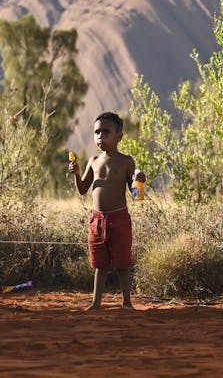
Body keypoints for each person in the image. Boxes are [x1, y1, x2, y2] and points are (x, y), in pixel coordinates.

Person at [69, 111, 145, 309]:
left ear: (119, 136)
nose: (100, 136)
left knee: (122, 264)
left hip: (119, 219)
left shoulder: (127, 161)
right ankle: (95, 303)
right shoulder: (93, 161)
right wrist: (77, 174)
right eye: (96, 132)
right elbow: (83, 189)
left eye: (106, 132)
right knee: (99, 265)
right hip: (96, 220)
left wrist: (140, 181)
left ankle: (127, 303)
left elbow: (136, 196)